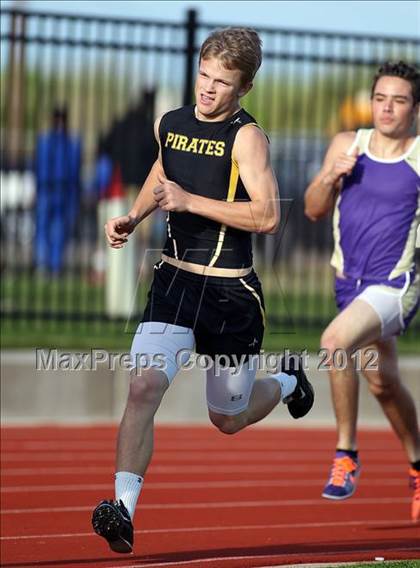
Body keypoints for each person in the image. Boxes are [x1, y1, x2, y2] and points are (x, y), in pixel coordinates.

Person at [92, 27, 314, 553]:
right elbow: (162, 169)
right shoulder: (169, 122)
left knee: (227, 418)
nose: (208, 89)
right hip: (172, 283)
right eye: (204, 75)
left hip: (231, 298)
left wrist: (190, 201)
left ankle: (287, 382)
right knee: (143, 387)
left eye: (222, 82)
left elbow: (265, 215)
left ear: (245, 88)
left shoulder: (247, 137)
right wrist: (134, 214)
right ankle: (122, 510)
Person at [304, 61, 420, 522]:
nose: (387, 108)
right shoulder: (347, 144)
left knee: (334, 343)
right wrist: (331, 175)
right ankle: (418, 467)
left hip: (395, 287)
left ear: (415, 108)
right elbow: (313, 210)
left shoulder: (417, 154)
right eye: (380, 98)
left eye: (399, 100)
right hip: (347, 284)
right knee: (382, 382)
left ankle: (346, 454)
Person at [34, 107, 82, 274]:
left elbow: (75, 170)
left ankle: (54, 266)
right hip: (48, 190)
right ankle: (43, 264)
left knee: (58, 230)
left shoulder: (67, 143)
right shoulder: (50, 142)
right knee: (45, 228)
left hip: (62, 191)